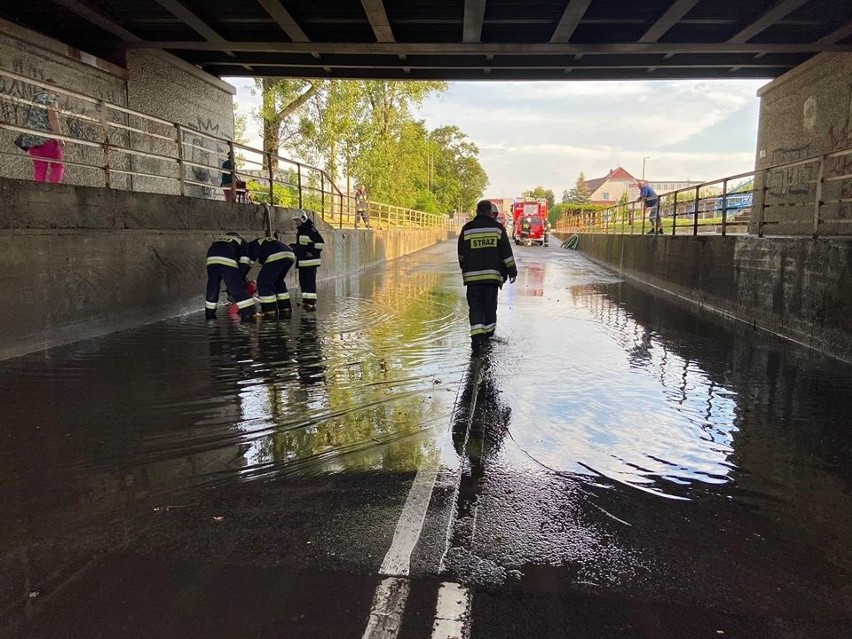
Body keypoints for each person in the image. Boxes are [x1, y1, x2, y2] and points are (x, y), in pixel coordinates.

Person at [458, 200, 518, 351]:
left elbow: (461, 255)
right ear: (490, 212)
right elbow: (506, 254)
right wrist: (512, 271)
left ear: (477, 211)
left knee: (476, 307)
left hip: (472, 279)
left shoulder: (467, 229)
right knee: (489, 307)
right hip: (491, 279)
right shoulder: (497, 229)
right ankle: (487, 336)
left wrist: (466, 269)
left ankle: (476, 339)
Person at [204, 232, 256, 321]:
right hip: (226, 258)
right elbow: (244, 261)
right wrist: (241, 277)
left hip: (211, 259)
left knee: (213, 285)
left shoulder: (220, 239)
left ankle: (210, 315)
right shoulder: (243, 242)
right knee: (237, 288)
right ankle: (250, 314)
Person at [19, 83, 65, 184]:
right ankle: (53, 190)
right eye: (57, 90)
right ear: (51, 88)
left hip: (31, 139)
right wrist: (60, 138)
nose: (58, 94)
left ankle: (38, 191)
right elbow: (53, 119)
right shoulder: (50, 99)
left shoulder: (35, 98)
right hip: (46, 138)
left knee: (40, 167)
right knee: (58, 165)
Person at [247, 232, 296, 317]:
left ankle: (269, 311)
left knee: (264, 283)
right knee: (278, 282)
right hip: (290, 255)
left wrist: (240, 277)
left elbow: (248, 264)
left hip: (276, 255)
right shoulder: (264, 242)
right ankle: (285, 308)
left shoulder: (250, 246)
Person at [291, 212, 325, 310]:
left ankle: (311, 302)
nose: (296, 223)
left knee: (309, 282)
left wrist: (311, 251)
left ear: (302, 219)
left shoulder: (310, 229)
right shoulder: (302, 230)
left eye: (297, 220)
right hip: (303, 262)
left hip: (310, 262)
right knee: (303, 282)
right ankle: (305, 301)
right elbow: (302, 245)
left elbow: (320, 243)